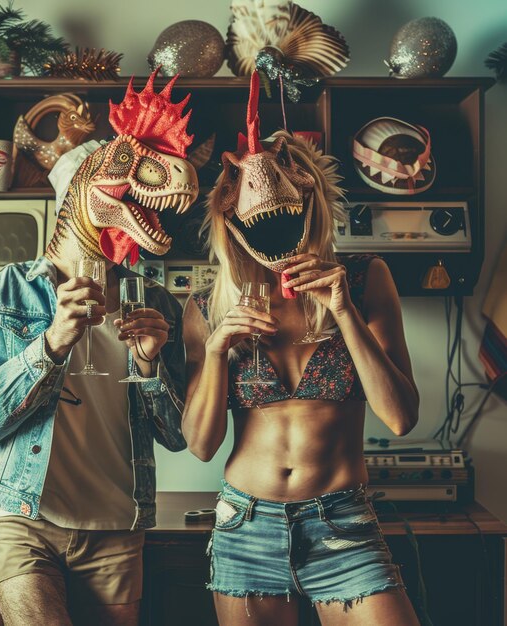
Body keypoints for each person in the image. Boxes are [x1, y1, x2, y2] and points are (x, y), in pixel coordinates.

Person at [0, 73, 197, 626]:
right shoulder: (7, 292)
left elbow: (178, 436)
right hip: (23, 517)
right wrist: (51, 342)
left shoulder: (157, 301)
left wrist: (148, 363)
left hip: (117, 525)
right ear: (83, 194)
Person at [181, 73, 420, 626]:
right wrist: (216, 351)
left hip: (343, 524)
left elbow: (401, 417)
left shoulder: (363, 281)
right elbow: (200, 444)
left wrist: (343, 310)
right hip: (246, 524)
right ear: (231, 219)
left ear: (307, 203)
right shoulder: (206, 307)